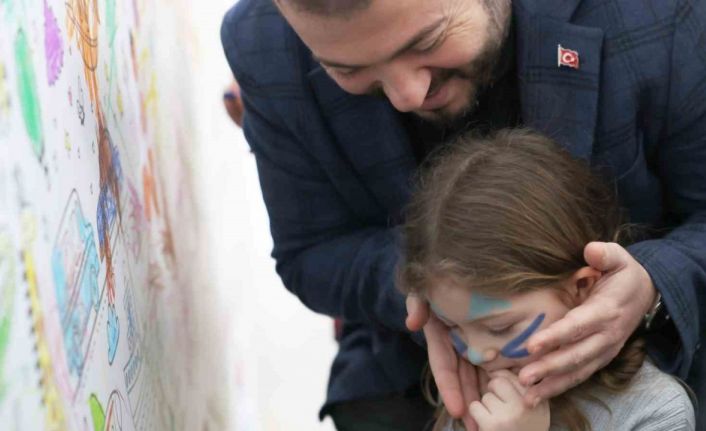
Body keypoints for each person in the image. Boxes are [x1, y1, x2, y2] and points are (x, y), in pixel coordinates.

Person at [220, 0, 706, 429]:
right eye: (347, 70)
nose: (407, 96)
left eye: (427, 41)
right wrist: (437, 289)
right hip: (404, 373)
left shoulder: (656, 16)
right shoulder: (264, 44)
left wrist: (655, 283)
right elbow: (313, 250)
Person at [397, 128, 695, 430]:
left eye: (500, 327)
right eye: (452, 326)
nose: (475, 353)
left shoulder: (656, 410)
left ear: (582, 287)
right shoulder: (471, 390)